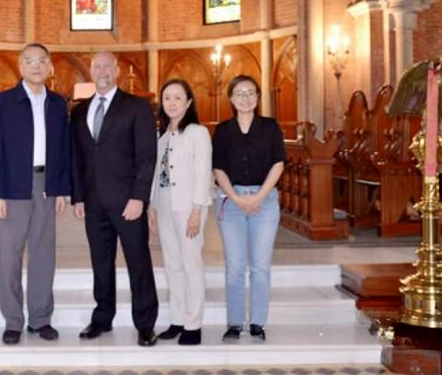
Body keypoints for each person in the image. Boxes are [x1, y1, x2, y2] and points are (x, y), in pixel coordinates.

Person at [71, 51, 159, 347]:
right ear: (91, 72)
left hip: (127, 202)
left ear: (118, 70)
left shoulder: (137, 107)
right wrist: (78, 197)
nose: (103, 70)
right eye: (98, 66)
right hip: (93, 203)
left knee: (138, 261)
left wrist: (139, 198)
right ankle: (102, 317)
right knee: (100, 262)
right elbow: (77, 158)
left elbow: (147, 157)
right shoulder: (79, 111)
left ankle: (145, 323)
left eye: (109, 65)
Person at [0, 43, 71, 345]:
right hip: (13, 187)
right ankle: (13, 320)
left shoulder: (58, 103)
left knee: (43, 254)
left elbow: (63, 149)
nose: (36, 66)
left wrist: (61, 188)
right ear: (20, 66)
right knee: (10, 256)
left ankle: (40, 319)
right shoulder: (3, 102)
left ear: (49, 67)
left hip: (46, 184)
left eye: (41, 61)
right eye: (29, 61)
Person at [212, 74, 286, 342]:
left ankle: (257, 322)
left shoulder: (270, 127)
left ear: (257, 97)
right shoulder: (222, 130)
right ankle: (234, 323)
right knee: (234, 265)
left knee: (260, 266)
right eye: (239, 93)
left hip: (264, 202)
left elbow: (279, 163)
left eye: (250, 92)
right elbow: (218, 167)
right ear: (231, 98)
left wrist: (257, 198)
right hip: (230, 202)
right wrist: (237, 198)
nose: (245, 97)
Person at [148, 79, 212, 346]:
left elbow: (202, 173)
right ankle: (177, 319)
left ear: (188, 102)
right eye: (167, 98)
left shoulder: (197, 133)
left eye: (177, 97)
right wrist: (152, 206)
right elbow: (155, 175)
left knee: (191, 265)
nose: (172, 103)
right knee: (172, 264)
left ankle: (193, 324)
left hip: (188, 207)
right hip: (164, 205)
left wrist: (197, 210)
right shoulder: (162, 137)